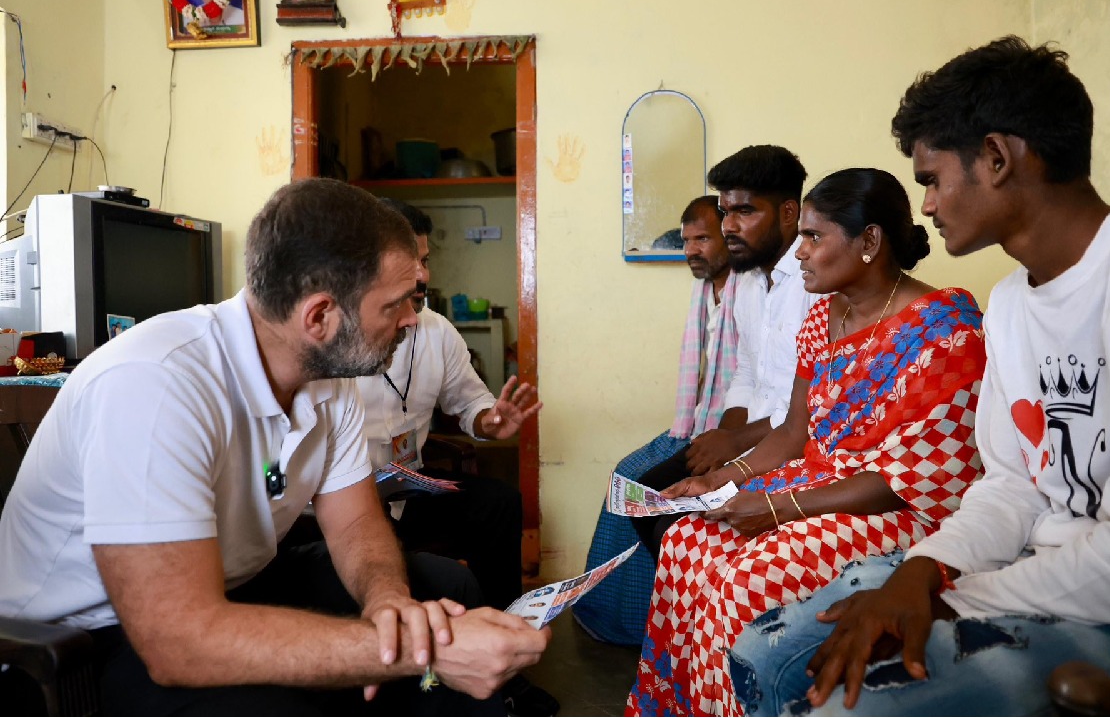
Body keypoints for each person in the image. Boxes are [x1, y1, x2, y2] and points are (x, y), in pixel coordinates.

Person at [728, 36, 1110, 716]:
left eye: (931, 179)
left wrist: (943, 596)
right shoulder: (1014, 304)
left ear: (996, 157)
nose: (925, 206)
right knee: (767, 654)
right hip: (1030, 577)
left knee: (856, 705)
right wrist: (920, 569)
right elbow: (1010, 484)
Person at [0, 179, 549, 714]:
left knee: (440, 590)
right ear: (319, 316)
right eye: (396, 305)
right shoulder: (155, 383)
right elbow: (177, 641)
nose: (412, 319)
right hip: (89, 637)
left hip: (232, 584)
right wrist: (409, 652)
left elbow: (356, 523)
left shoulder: (328, 378)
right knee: (318, 691)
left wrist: (390, 604)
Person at [626, 168, 987, 717]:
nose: (800, 253)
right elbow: (796, 432)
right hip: (816, 483)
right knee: (688, 539)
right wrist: (717, 482)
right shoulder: (824, 315)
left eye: (814, 237)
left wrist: (777, 508)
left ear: (869, 241)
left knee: (747, 578)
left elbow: (917, 479)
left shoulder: (945, 327)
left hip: (894, 503)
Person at [355, 199, 557, 716]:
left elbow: (470, 403)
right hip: (347, 503)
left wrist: (490, 421)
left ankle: (507, 657)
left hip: (409, 488)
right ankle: (438, 675)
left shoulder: (437, 331)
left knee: (499, 504)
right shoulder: (340, 337)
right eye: (410, 261)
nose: (422, 275)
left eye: (426, 260)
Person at [631, 145, 823, 563]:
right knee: (648, 502)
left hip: (796, 445)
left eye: (745, 212)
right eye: (724, 213)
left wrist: (736, 442)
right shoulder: (749, 283)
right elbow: (747, 372)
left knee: (676, 528)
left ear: (789, 213)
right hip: (751, 438)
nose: (729, 227)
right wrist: (724, 439)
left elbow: (814, 404)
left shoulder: (816, 282)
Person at [574, 195, 739, 646]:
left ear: (731, 234)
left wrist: (722, 437)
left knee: (643, 490)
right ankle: (621, 617)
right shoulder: (708, 290)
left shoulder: (753, 291)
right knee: (622, 480)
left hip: (732, 433)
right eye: (686, 241)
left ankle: (653, 629)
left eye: (702, 238)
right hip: (698, 423)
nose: (691, 251)